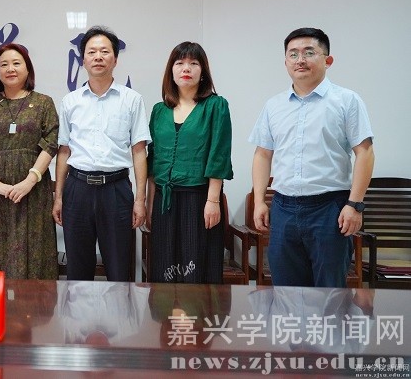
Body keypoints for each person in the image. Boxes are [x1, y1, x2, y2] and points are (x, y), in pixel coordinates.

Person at [250, 27, 374, 287]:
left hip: (329, 209)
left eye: (309, 52)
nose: (300, 60)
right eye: (293, 54)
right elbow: (263, 154)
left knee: (329, 293)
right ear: (286, 62)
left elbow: (364, 153)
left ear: (328, 60)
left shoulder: (347, 101)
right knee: (286, 292)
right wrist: (260, 201)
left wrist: (355, 205)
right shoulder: (274, 106)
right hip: (283, 208)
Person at [52, 26, 150, 282]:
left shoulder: (132, 100)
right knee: (78, 271)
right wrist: (59, 197)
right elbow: (64, 151)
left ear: (115, 59)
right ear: (83, 59)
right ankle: (78, 312)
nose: (98, 57)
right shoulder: (70, 101)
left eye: (105, 51)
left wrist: (140, 199)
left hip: (116, 190)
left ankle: (118, 311)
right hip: (77, 189)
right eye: (91, 52)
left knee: (119, 270)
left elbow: (139, 150)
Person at [0, 43, 59, 279]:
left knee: (35, 248)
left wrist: (30, 181)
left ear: (28, 69)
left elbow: (51, 143)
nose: (10, 69)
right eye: (4, 64)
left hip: (34, 189)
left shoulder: (44, 102)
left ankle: (35, 303)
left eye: (16, 63)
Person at [146, 42, 233, 284]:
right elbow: (153, 162)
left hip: (200, 200)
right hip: (164, 201)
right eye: (180, 63)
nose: (186, 68)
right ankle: (166, 311)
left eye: (194, 63)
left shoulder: (216, 106)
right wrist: (150, 203)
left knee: (195, 269)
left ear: (203, 71)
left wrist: (213, 201)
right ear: (171, 71)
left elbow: (219, 155)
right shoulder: (159, 110)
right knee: (164, 269)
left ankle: (198, 311)